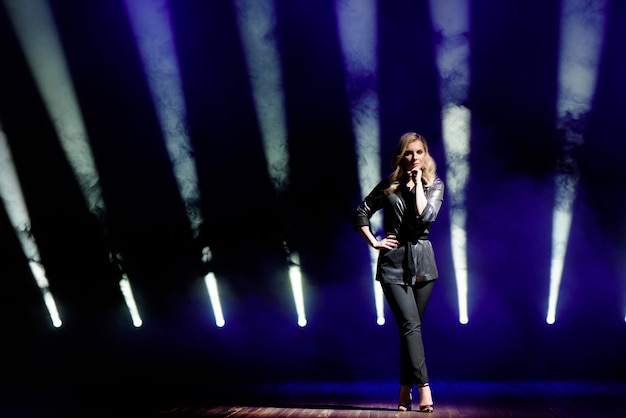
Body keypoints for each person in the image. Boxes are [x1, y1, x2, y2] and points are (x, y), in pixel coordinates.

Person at [353, 132, 444, 413]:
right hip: (392, 264)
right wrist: (374, 241)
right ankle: (424, 389)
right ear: (400, 157)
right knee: (410, 327)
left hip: (423, 265)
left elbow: (425, 216)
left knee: (410, 332)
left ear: (425, 154)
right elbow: (361, 212)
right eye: (408, 153)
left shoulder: (435, 185)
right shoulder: (389, 184)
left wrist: (417, 183)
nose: (414, 157)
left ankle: (404, 390)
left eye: (419, 152)